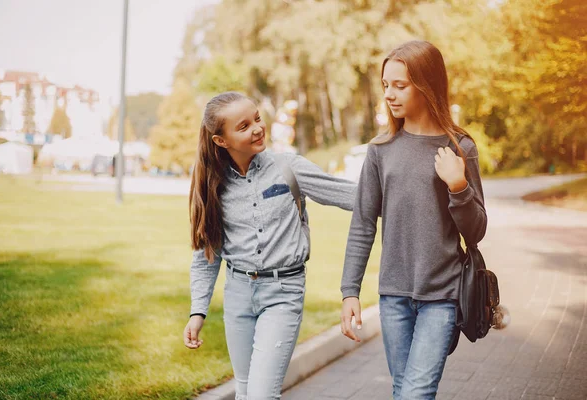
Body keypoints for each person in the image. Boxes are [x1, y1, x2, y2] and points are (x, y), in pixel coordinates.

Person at [183, 92, 356, 400]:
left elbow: (351, 196)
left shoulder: (289, 168)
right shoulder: (213, 185)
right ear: (221, 141)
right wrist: (198, 311)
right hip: (238, 294)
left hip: (283, 292)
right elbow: (206, 255)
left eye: (257, 119)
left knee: (262, 395)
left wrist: (413, 195)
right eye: (243, 126)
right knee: (246, 392)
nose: (257, 128)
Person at [340, 40, 487, 399]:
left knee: (416, 392)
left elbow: (477, 229)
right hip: (393, 296)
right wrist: (350, 291)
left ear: (427, 84)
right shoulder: (380, 149)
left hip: (443, 294)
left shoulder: (460, 147)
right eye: (386, 85)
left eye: (400, 85)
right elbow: (363, 224)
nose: (389, 95)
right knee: (403, 390)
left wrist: (458, 185)